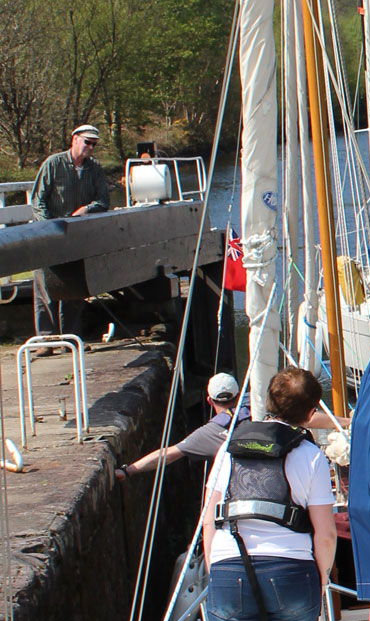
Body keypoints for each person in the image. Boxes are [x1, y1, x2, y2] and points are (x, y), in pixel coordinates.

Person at [202, 367, 336, 621]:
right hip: (292, 570)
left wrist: (215, 568)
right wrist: (320, 580)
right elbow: (326, 535)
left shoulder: (227, 450)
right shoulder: (311, 456)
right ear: (311, 414)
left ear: (268, 403)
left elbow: (208, 520)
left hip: (228, 565)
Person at [31, 124, 114, 338]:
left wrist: (87, 209)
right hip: (49, 233)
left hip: (76, 236)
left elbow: (103, 200)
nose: (90, 147)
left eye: (94, 144)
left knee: (73, 287)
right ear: (75, 139)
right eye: (87, 142)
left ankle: (70, 336)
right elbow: (38, 201)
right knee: (44, 288)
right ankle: (45, 338)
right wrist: (48, 227)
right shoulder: (53, 164)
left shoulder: (94, 168)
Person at [117, 372, 250, 483]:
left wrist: (128, 470)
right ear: (239, 396)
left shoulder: (210, 432)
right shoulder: (258, 406)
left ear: (209, 400)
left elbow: (167, 455)